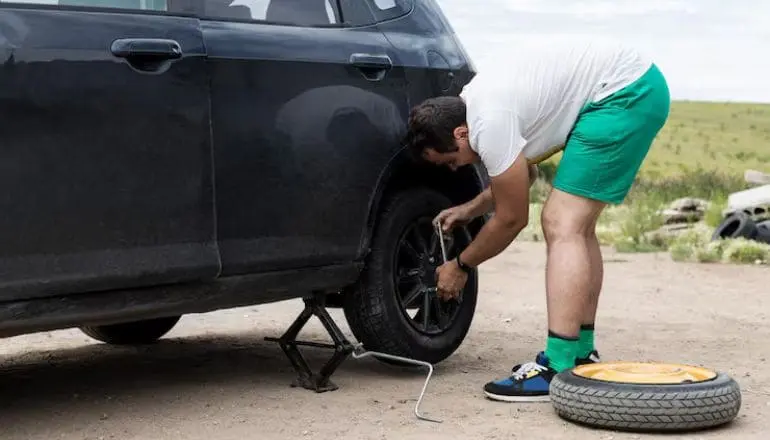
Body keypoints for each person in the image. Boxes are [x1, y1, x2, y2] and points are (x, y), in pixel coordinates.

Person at [401, 37, 670, 402]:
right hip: (632, 85)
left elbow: (512, 219)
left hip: (622, 95)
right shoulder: (478, 102)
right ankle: (579, 352)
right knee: (578, 225)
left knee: (561, 222)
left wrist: (460, 266)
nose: (456, 166)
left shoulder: (488, 123)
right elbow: (520, 177)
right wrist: (470, 210)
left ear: (460, 134)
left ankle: (556, 366)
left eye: (450, 159)